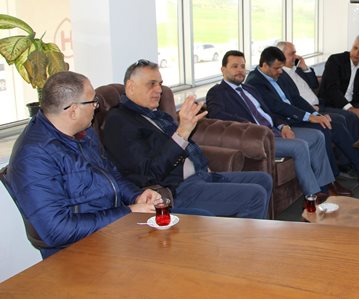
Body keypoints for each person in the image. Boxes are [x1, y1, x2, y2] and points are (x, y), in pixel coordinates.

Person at [4, 71, 160, 258]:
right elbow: (56, 230)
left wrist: (137, 196)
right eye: (92, 102)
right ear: (73, 111)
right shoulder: (34, 156)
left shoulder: (83, 133)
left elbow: (112, 175)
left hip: (112, 235)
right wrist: (127, 212)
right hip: (75, 254)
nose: (96, 107)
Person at [102, 60, 272, 219]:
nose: (159, 90)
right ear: (131, 87)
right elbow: (149, 174)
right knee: (255, 195)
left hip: (199, 175)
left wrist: (201, 164)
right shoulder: (119, 121)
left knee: (264, 179)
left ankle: (238, 231)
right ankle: (243, 240)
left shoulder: (156, 115)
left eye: (160, 84)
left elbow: (182, 147)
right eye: (151, 84)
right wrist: (182, 132)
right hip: (177, 189)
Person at [246, 46, 359, 187]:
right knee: (324, 129)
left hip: (297, 116)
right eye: (277, 68)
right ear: (264, 65)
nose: (280, 71)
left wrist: (317, 114)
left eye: (281, 67)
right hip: (284, 122)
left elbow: (296, 98)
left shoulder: (281, 74)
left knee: (335, 124)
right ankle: (331, 181)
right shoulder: (254, 82)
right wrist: (310, 117)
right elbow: (277, 106)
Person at [206, 50, 335, 200]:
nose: (240, 70)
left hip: (275, 130)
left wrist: (283, 126)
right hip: (257, 137)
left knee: (317, 136)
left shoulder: (249, 89)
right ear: (223, 70)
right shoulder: (217, 92)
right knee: (300, 147)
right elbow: (218, 116)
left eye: (242, 66)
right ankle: (312, 196)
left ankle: (324, 186)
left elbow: (268, 113)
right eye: (235, 66)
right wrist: (250, 126)